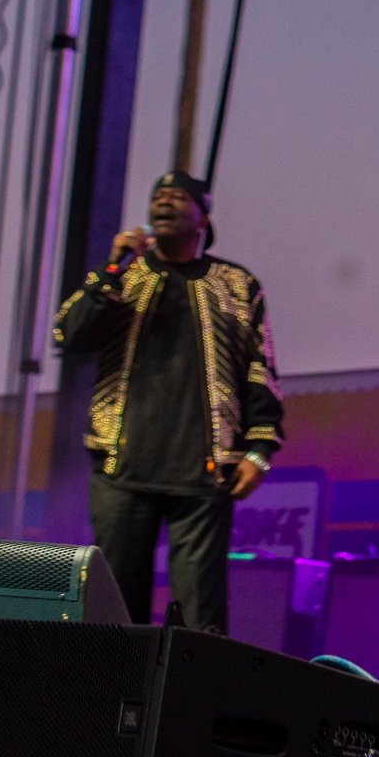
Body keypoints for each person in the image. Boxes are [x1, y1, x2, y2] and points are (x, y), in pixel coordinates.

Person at [52, 171, 284, 632]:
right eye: (158, 196)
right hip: (122, 469)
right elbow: (70, 334)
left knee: (200, 616)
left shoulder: (237, 284)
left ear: (203, 218)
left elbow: (260, 369)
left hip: (204, 475)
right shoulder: (124, 276)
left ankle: (193, 682)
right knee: (114, 613)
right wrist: (112, 268)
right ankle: (117, 681)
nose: (164, 202)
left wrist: (260, 449)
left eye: (178, 197)